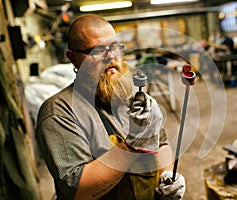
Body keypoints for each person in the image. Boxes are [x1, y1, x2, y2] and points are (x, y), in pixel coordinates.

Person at [36, 14, 185, 200]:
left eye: (115, 48)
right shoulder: (58, 112)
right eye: (98, 51)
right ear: (73, 58)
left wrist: (166, 176)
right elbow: (77, 190)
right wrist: (131, 147)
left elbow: (161, 142)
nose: (111, 58)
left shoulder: (131, 94)